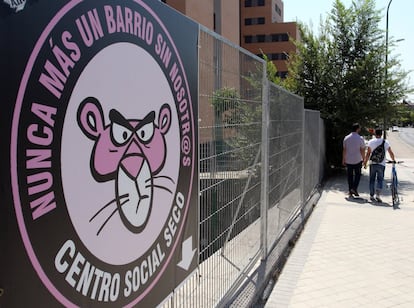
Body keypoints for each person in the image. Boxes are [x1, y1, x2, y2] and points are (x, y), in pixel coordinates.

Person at [363, 128, 396, 202]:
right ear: (381, 134)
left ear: (375, 134)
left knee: (372, 179)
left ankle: (371, 195)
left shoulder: (371, 142)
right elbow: (390, 152)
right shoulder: (385, 142)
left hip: (373, 163)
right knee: (380, 179)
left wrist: (365, 162)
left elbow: (368, 153)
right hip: (382, 164)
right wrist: (393, 160)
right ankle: (378, 194)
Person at [342, 123, 366, 197]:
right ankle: (354, 188)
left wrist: (343, 159)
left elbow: (344, 149)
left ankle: (350, 190)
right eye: (360, 128)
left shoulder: (346, 138)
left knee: (350, 176)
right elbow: (362, 149)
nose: (360, 129)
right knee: (358, 175)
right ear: (357, 129)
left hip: (348, 159)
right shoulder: (360, 138)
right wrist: (364, 159)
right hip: (357, 159)